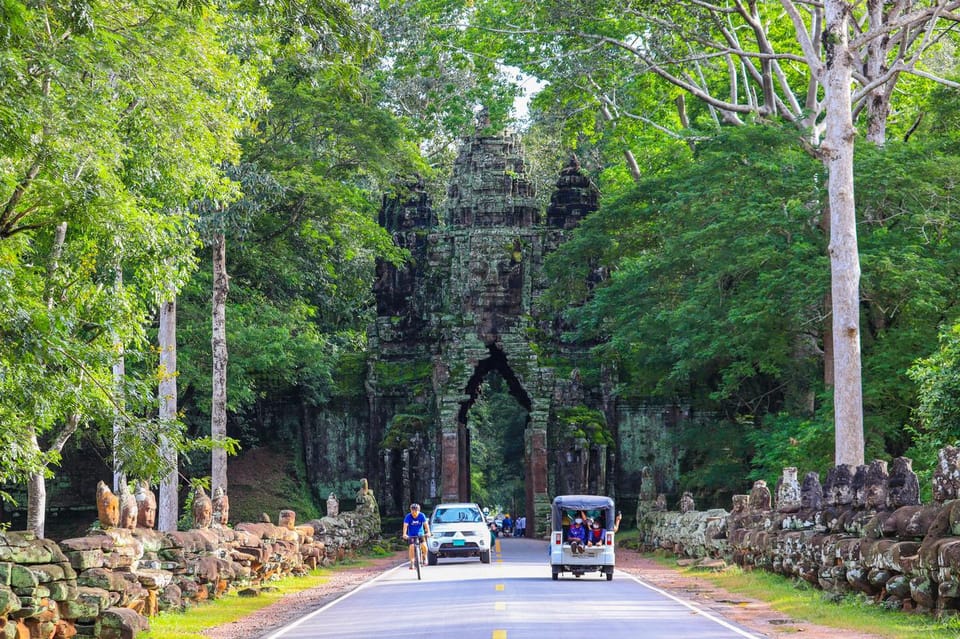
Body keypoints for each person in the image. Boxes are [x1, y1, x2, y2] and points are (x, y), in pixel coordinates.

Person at [402, 503, 431, 569]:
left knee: (424, 545)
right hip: (411, 535)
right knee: (411, 546)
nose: (414, 513)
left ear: (419, 511)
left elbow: (426, 525)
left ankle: (425, 557)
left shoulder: (422, 515)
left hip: (420, 534)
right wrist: (404, 534)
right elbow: (405, 526)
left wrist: (428, 532)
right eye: (412, 511)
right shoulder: (408, 516)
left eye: (415, 511)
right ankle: (412, 562)